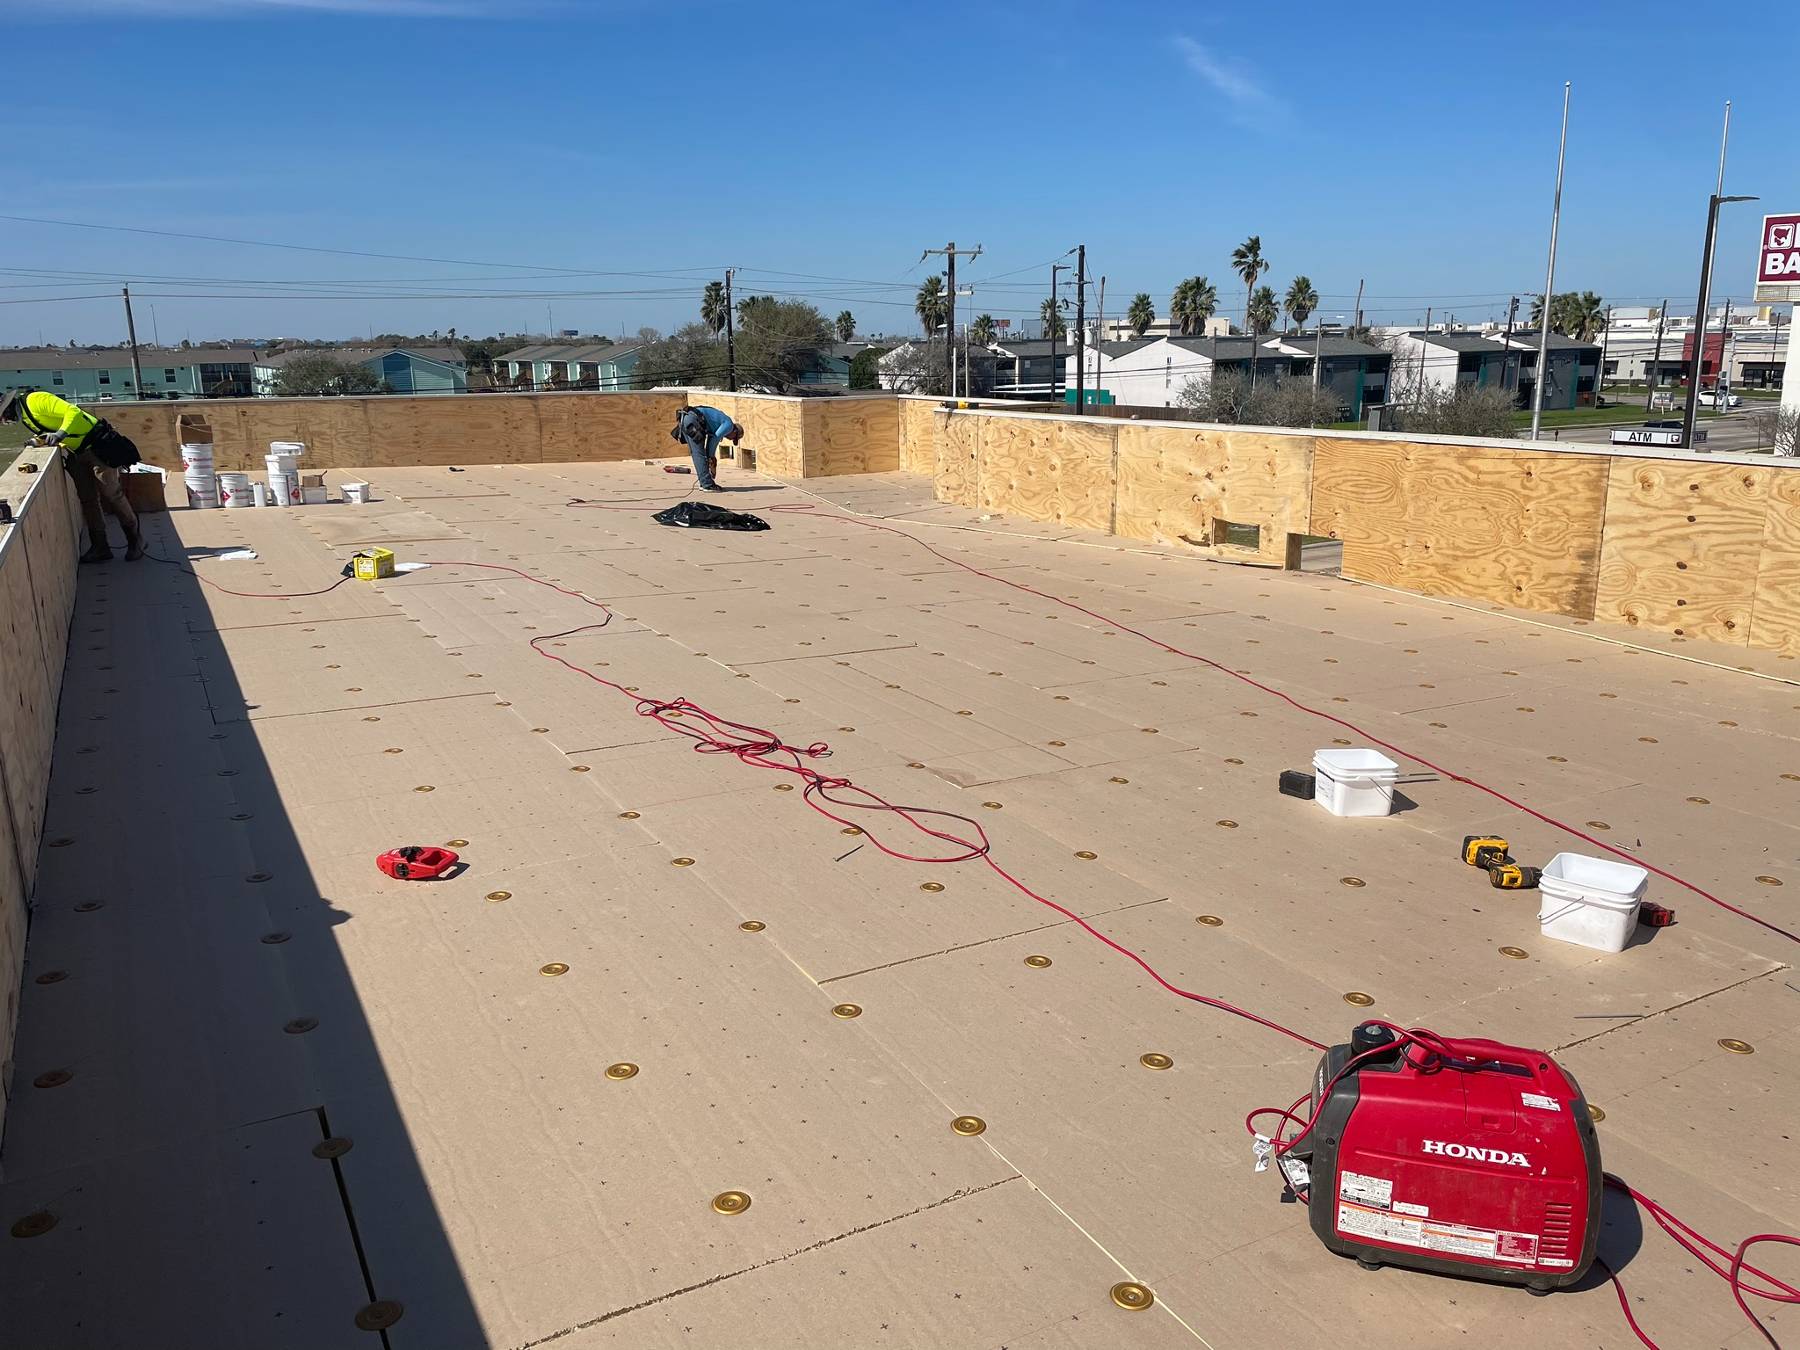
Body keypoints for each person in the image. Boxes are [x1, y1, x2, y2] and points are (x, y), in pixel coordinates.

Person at [0, 388, 145, 562]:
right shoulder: (26, 417)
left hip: (97, 446)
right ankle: (100, 547)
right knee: (87, 499)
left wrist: (61, 434)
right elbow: (50, 427)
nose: (4, 421)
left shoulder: (35, 400)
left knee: (112, 494)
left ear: (7, 407)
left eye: (2, 417)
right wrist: (40, 440)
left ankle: (135, 540)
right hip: (77, 452)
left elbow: (73, 412)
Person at [672, 405, 743, 491]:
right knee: (699, 454)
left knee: (696, 453)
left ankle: (704, 483)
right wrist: (711, 457)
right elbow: (714, 439)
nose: (730, 439)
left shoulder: (718, 423)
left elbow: (711, 439)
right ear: (735, 431)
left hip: (687, 418)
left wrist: (710, 457)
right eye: (733, 438)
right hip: (694, 420)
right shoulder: (729, 425)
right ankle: (707, 484)